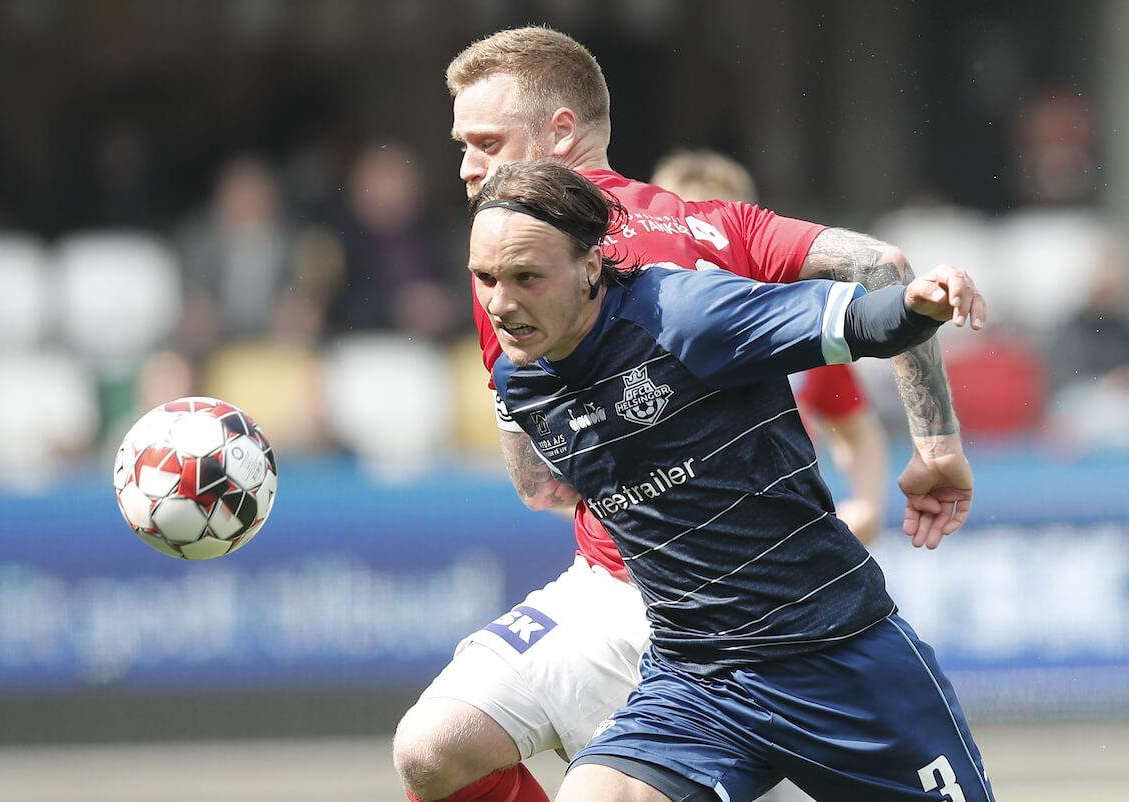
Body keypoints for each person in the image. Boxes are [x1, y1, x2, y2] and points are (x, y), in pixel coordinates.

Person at [393, 26, 976, 802]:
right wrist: (935, 442)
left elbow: (539, 488)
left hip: (789, 622)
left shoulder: (552, 268)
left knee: (435, 755)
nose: (468, 166)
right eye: (464, 145)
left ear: (560, 133)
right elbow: (883, 266)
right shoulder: (681, 233)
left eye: (486, 143)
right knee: (434, 750)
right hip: (681, 639)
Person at [477, 159, 993, 801]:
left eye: (526, 277)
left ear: (588, 267)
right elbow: (548, 487)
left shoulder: (686, 313)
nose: (501, 302)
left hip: (834, 658)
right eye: (485, 278)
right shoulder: (520, 380)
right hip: (694, 681)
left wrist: (918, 305)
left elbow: (860, 320)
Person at [650, 148, 888, 548]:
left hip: (785, 542)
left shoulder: (792, 327)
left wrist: (867, 505)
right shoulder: (629, 335)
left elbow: (857, 429)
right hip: (670, 554)